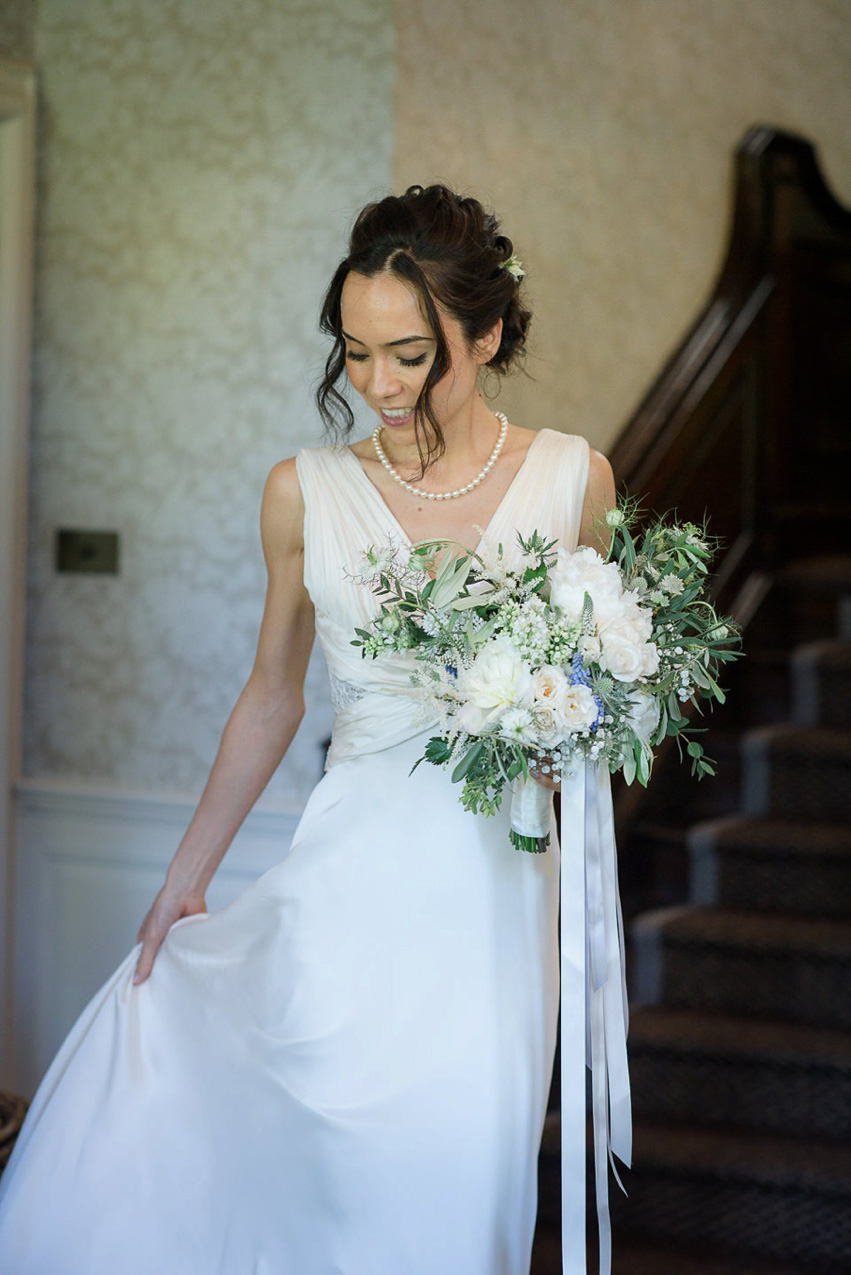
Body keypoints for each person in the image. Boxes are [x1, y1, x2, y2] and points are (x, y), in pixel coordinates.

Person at [0, 184, 615, 1274]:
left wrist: (570, 724)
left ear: (484, 333)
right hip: (347, 883)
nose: (376, 385)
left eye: (409, 354)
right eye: (355, 350)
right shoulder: (303, 493)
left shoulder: (574, 480)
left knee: (461, 1179)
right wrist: (186, 875)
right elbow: (273, 696)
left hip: (494, 899)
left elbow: (593, 684)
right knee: (318, 1166)